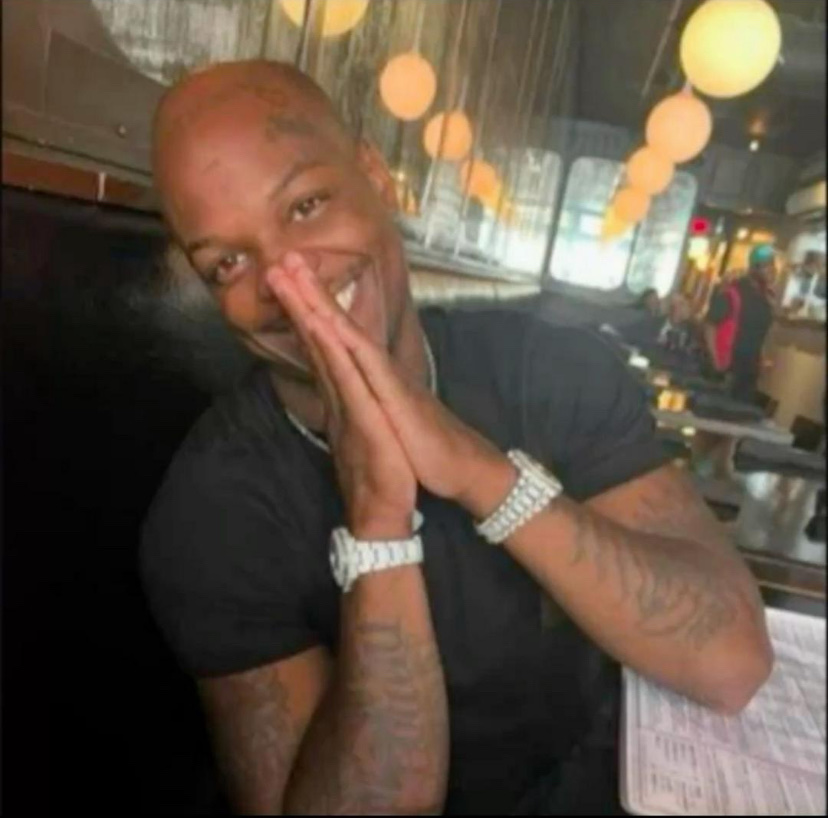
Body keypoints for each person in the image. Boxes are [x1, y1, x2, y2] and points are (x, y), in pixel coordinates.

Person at [142, 61, 772, 816]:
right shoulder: (212, 512)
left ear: (376, 177)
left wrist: (479, 472)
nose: (288, 280)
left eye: (306, 205)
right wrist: (376, 526)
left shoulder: (548, 369)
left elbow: (731, 661)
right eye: (229, 263)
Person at [704, 245, 776, 403]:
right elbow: (710, 325)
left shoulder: (766, 298)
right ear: (754, 268)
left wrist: (762, 359)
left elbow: (760, 333)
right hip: (727, 367)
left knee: (741, 411)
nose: (772, 270)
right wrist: (716, 361)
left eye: (772, 265)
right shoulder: (733, 292)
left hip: (749, 371)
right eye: (766, 265)